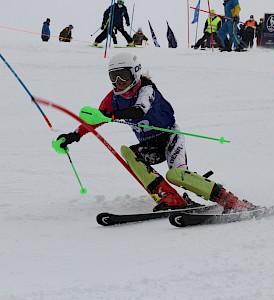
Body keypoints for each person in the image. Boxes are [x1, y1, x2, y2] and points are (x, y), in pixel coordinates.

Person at [52, 52, 256, 213]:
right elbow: (95, 121)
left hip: (169, 138)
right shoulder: (112, 99)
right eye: (113, 77)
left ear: (135, 73)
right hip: (150, 145)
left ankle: (230, 200)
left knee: (176, 174)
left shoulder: (146, 89)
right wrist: (72, 136)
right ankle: (170, 197)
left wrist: (111, 117)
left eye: (123, 75)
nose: (118, 82)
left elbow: (139, 110)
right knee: (127, 152)